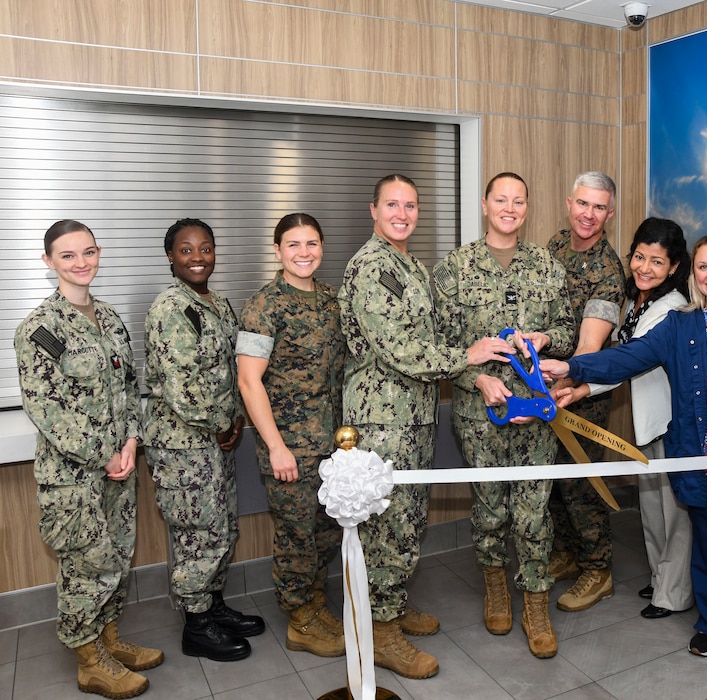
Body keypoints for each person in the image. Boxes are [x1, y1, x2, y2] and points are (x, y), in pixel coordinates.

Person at [541, 234, 707, 663]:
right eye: (703, 267)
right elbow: (628, 357)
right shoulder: (682, 326)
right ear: (694, 274)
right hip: (703, 461)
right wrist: (573, 366)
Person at [339, 174, 512, 679]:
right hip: (381, 418)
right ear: (373, 209)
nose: (402, 213)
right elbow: (401, 349)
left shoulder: (410, 265)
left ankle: (390, 604)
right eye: (392, 204)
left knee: (407, 516)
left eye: (410, 205)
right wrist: (469, 356)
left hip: (412, 415)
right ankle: (383, 632)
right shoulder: (373, 267)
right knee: (387, 524)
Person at [14, 220, 163, 699]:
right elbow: (47, 409)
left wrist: (132, 443)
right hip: (73, 477)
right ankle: (88, 661)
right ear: (48, 262)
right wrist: (104, 455)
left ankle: (109, 639)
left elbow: (130, 389)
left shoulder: (111, 320)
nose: (82, 263)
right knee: (86, 565)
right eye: (68, 255)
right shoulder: (40, 329)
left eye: (89, 252)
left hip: (119, 467)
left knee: (117, 559)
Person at [432, 172, 576, 659]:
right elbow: (442, 345)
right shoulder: (454, 268)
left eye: (518, 200)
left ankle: (536, 603)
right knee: (490, 507)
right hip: (480, 413)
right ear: (484, 204)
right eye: (501, 199)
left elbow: (568, 328)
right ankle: (496, 587)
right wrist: (476, 378)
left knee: (534, 513)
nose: (509, 208)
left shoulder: (547, 265)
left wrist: (546, 340)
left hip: (537, 412)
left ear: (527, 208)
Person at [555, 217, 694, 619]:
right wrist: (581, 389)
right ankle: (659, 578)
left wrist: (577, 380)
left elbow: (628, 363)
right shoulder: (635, 300)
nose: (644, 267)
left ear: (673, 267)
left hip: (672, 424)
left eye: (656, 261)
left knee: (676, 514)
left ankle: (673, 594)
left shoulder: (671, 308)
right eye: (639, 256)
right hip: (646, 424)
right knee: (653, 507)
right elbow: (621, 363)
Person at [144, 218, 265, 663]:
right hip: (184, 444)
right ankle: (196, 625)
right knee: (198, 532)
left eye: (206, 248)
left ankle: (212, 606)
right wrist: (220, 422)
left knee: (220, 528)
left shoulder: (219, 303)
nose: (197, 257)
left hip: (217, 438)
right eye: (186, 250)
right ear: (170, 256)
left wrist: (231, 421)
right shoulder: (170, 308)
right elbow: (182, 385)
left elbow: (232, 370)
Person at [236, 213, 346, 658]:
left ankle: (316, 604)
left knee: (324, 532)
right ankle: (301, 619)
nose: (304, 253)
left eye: (312, 243)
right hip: (290, 446)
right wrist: (277, 447)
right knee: (297, 535)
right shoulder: (264, 306)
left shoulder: (330, 299)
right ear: (277, 250)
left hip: (332, 443)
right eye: (294, 244)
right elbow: (249, 381)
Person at [544, 171, 626, 613]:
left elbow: (589, 347)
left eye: (599, 207)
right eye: (582, 204)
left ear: (609, 213)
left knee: (580, 482)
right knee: (555, 478)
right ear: (568, 203)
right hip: (545, 386)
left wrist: (560, 385)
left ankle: (598, 568)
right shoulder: (554, 247)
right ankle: (569, 554)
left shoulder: (608, 271)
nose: (588, 215)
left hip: (580, 394)